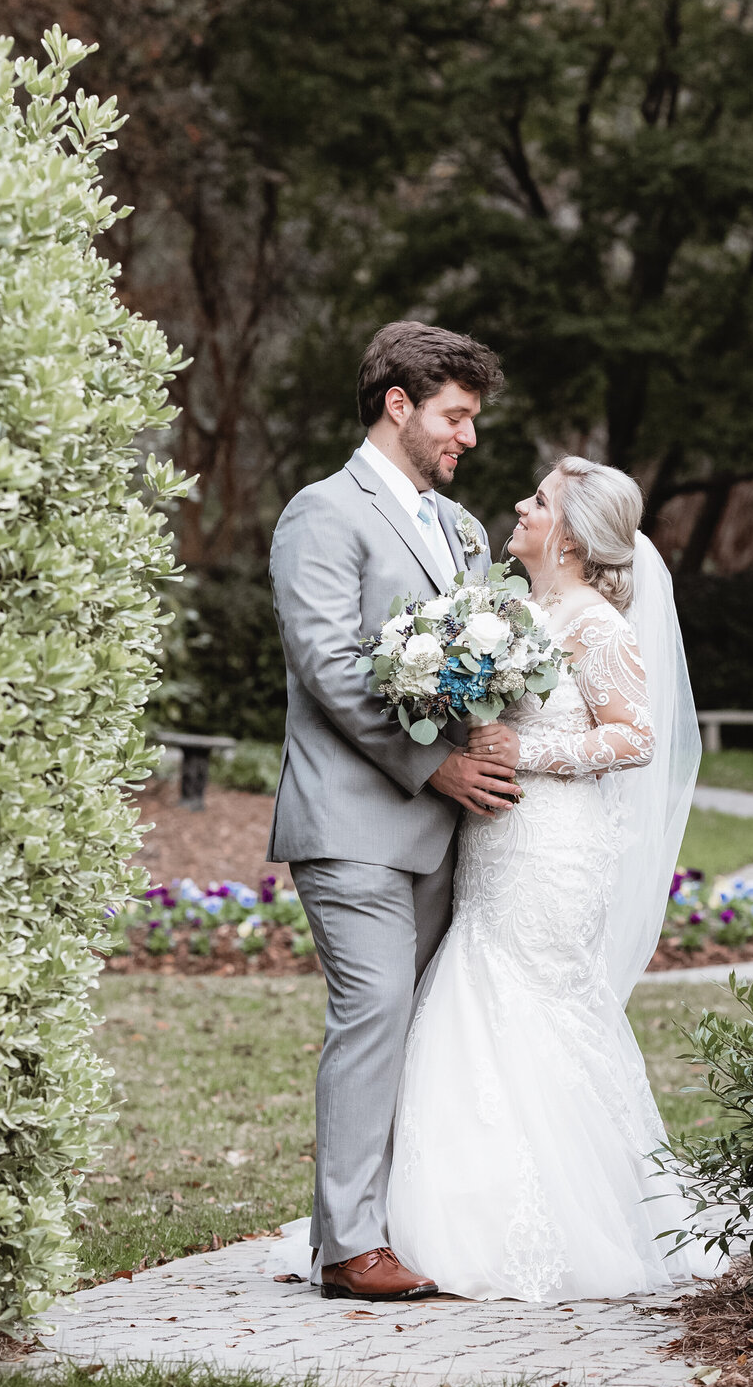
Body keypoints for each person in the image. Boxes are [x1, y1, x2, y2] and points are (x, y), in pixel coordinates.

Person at [383, 456, 704, 1301]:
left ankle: (557, 1227)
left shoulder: (597, 625)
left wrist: (528, 750)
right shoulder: (513, 613)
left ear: (568, 535)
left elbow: (635, 737)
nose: (521, 508)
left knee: (524, 1003)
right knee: (478, 999)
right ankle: (467, 1213)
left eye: (539, 501)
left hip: (554, 849)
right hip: (494, 842)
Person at [267, 320, 521, 1304]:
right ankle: (349, 1251)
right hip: (352, 820)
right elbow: (330, 665)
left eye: (473, 419)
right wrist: (435, 767)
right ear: (398, 404)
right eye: (455, 417)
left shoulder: (463, 531)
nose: (469, 437)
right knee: (372, 1011)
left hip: (445, 833)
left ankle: (387, 1223)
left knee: (419, 1030)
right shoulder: (322, 514)